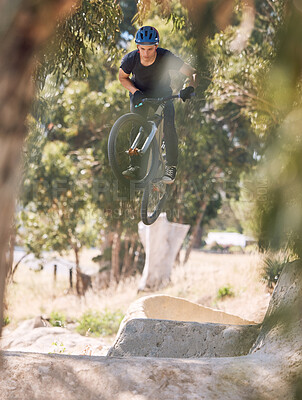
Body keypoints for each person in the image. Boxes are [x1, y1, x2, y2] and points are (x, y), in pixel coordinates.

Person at [119, 25, 197, 184]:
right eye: (142, 49)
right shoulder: (130, 59)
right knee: (136, 124)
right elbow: (123, 78)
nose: (146, 54)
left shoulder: (165, 57)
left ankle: (171, 167)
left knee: (168, 124)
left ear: (156, 46)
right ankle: (135, 166)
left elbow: (193, 73)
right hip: (139, 93)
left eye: (150, 49)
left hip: (162, 94)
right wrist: (135, 92)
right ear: (137, 47)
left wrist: (189, 88)